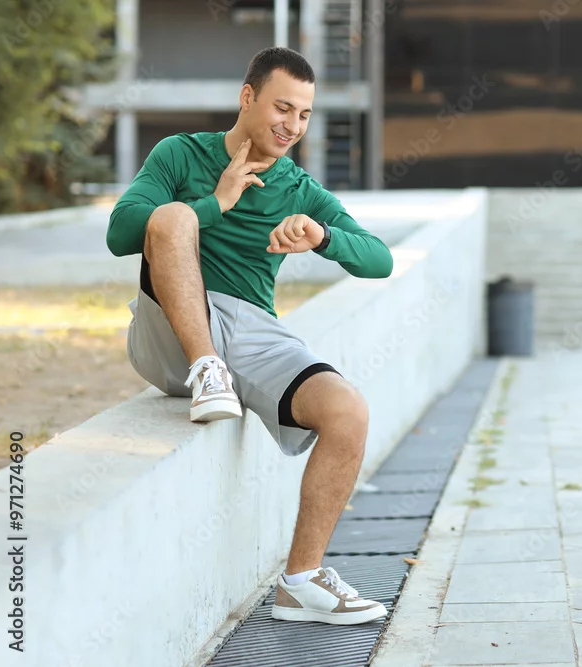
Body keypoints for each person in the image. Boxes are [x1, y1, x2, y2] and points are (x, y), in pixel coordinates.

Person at [106, 46, 391, 626]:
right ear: (247, 97)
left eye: (304, 114)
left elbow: (379, 259)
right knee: (173, 217)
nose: (293, 125)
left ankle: (301, 581)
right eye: (282, 108)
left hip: (252, 331)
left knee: (349, 412)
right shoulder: (180, 153)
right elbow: (120, 233)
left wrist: (321, 237)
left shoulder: (299, 189)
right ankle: (206, 367)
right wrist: (215, 203)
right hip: (172, 332)